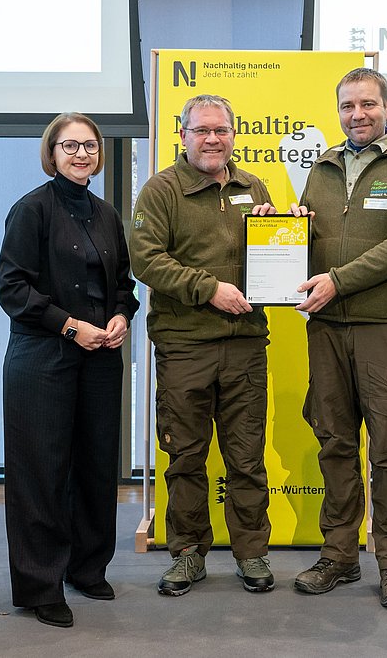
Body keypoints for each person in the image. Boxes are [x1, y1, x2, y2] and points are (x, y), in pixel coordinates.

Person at [288, 67, 387, 608]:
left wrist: (338, 281)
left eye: (368, 104)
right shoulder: (323, 167)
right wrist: (275, 229)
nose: (358, 114)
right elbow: (305, 235)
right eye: (348, 105)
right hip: (326, 328)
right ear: (339, 110)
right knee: (334, 443)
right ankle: (339, 555)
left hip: (384, 327)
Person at [129, 94, 278, 597]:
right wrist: (208, 289)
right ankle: (188, 553)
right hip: (184, 346)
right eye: (201, 131)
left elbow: (272, 255)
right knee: (186, 457)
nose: (212, 139)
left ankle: (251, 553)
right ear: (183, 135)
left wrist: (284, 228)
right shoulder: (161, 191)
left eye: (221, 131)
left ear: (233, 135)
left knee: (246, 457)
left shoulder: (252, 186)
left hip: (246, 346)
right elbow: (147, 261)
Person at [0, 112, 140, 628]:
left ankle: (86, 567)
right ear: (51, 153)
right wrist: (69, 326)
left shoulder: (105, 214)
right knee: (42, 472)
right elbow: (12, 289)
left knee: (96, 465)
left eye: (91, 146)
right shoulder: (31, 210)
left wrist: (123, 315)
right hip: (43, 357)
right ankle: (40, 585)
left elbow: (123, 284)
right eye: (71, 146)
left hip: (101, 355)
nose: (82, 154)